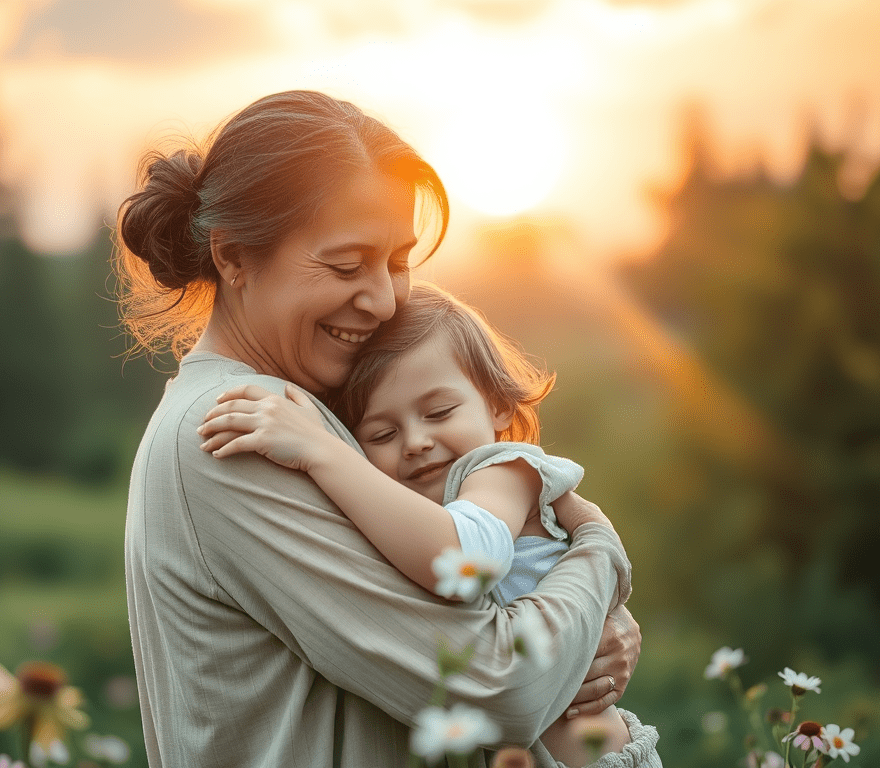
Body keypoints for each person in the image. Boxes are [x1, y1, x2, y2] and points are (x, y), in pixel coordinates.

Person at [117, 89, 651, 768]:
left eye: (398, 261)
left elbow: (488, 599)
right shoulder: (235, 437)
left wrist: (594, 628)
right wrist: (598, 557)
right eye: (346, 265)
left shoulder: (311, 414)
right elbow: (501, 685)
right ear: (234, 257)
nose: (382, 299)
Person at [198, 282, 660, 767]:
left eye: (439, 412)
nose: (416, 441)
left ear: (498, 403)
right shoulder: (414, 513)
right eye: (382, 433)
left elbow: (465, 562)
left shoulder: (500, 471)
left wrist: (321, 452)